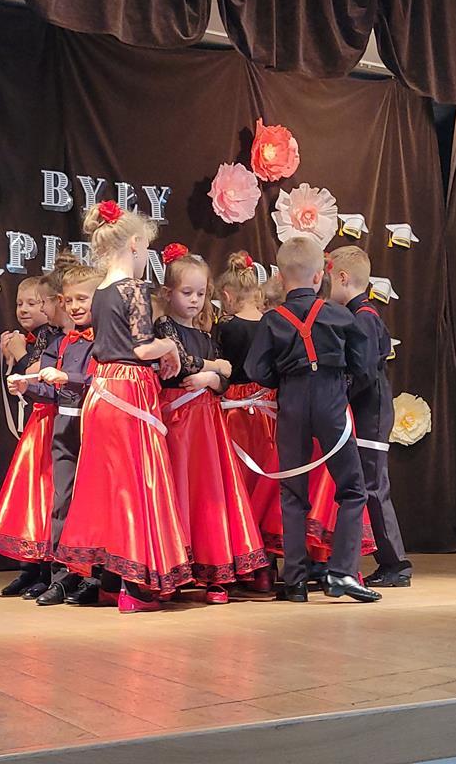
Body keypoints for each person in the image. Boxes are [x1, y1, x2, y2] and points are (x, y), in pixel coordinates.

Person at [53, 201, 192, 613]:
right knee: (137, 484)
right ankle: (136, 587)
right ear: (133, 244)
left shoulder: (99, 292)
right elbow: (143, 347)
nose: (146, 255)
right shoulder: (133, 289)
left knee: (109, 486)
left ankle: (112, 581)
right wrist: (170, 346)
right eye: (146, 247)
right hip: (130, 390)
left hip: (102, 391)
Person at [245, 236, 381, 604]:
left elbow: (255, 369)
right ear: (321, 275)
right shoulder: (339, 315)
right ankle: (341, 572)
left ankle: (295, 582)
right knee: (352, 489)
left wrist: (284, 378)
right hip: (331, 400)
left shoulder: (272, 320)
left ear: (279, 276)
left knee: (293, 492)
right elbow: (364, 364)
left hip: (292, 403)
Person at [154, 245, 268, 603]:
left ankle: (215, 570)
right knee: (179, 492)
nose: (194, 301)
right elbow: (179, 363)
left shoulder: (207, 334)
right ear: (168, 293)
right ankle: (174, 569)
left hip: (206, 424)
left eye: (200, 294)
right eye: (186, 293)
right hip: (178, 424)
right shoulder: (164, 328)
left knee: (209, 494)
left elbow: (227, 376)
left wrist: (212, 376)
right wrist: (213, 368)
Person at [3, 264, 104, 606]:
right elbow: (49, 391)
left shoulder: (105, 342)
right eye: (69, 300)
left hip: (96, 428)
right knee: (62, 503)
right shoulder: (60, 343)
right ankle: (62, 577)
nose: (75, 307)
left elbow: (104, 382)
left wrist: (68, 378)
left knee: (93, 505)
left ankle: (95, 577)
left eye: (83, 299)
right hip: (64, 429)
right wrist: (26, 386)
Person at [328, 246, 412, 587]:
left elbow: (362, 371)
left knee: (374, 487)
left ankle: (396, 564)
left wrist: (337, 395)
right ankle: (390, 561)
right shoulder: (364, 314)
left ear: (342, 278)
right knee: (369, 485)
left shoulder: (362, 317)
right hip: (370, 409)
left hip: (371, 413)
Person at [0, 277, 61, 598]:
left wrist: (20, 354)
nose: (25, 309)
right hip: (38, 419)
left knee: (47, 494)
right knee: (30, 494)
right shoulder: (34, 338)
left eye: (34, 303)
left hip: (54, 419)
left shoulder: (55, 336)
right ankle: (28, 567)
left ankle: (47, 570)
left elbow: (40, 373)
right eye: (20, 303)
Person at [214, 251, 280, 592]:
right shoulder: (272, 323)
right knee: (267, 487)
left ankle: (242, 563)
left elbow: (221, 370)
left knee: (237, 486)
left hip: (236, 411)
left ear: (226, 295)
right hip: (269, 412)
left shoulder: (226, 327)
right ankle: (267, 566)